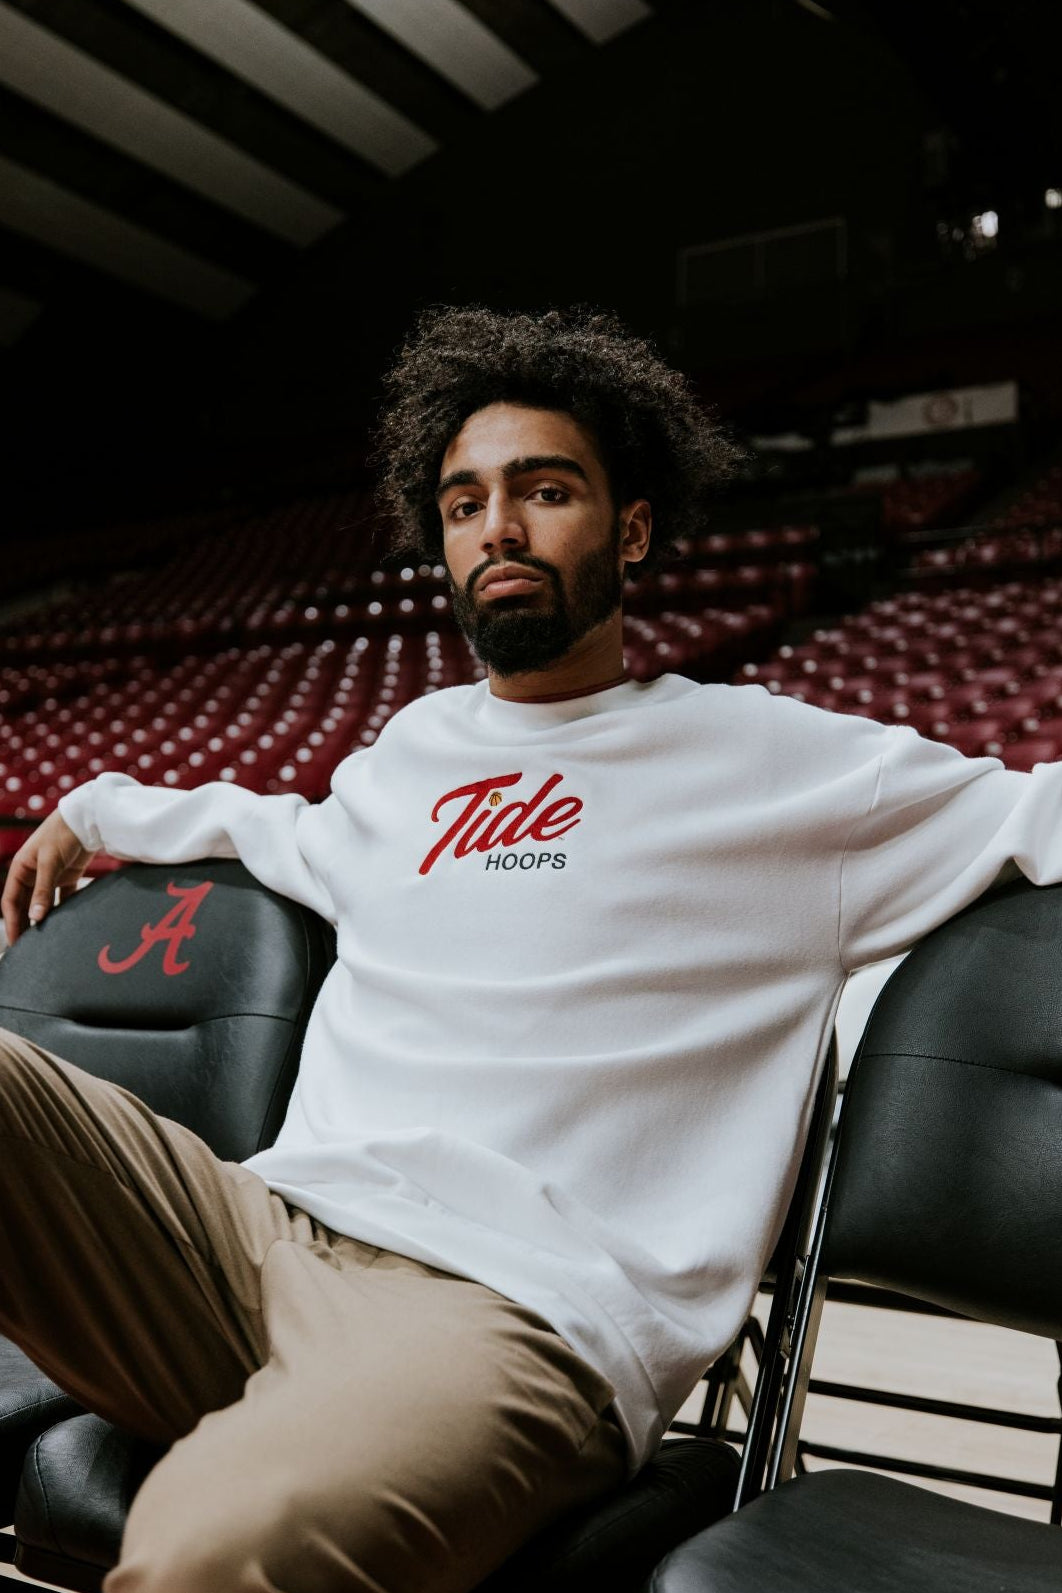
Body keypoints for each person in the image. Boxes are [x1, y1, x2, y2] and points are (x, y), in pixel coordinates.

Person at [2, 305, 1062, 1593]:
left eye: (543, 490)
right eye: (462, 503)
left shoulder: (781, 766)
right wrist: (97, 808)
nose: (495, 526)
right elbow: (269, 826)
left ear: (632, 526)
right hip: (260, 1232)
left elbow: (1036, 813)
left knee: (210, 1553)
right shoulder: (410, 758)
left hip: (515, 1313)